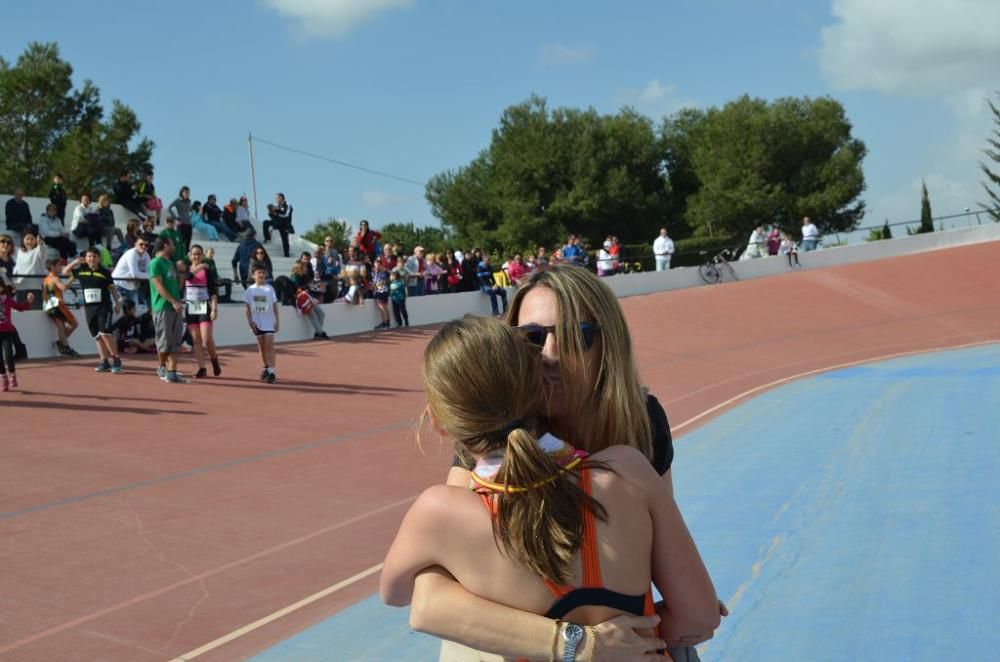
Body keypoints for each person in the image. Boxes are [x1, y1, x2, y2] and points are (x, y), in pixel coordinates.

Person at [408, 265, 724, 661]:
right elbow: (431, 601)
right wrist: (581, 643)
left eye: (577, 336)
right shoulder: (488, 427)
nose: (550, 355)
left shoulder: (642, 420)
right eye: (532, 338)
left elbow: (663, 564)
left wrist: (661, 622)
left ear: (608, 345)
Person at [64, 249, 123, 373]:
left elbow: (113, 289)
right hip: (90, 308)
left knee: (105, 333)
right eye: (89, 256)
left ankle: (116, 360)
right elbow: (64, 272)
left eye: (94, 256)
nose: (92, 259)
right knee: (97, 336)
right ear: (85, 258)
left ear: (99, 258)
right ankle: (104, 362)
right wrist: (75, 262)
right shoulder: (81, 271)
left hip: (104, 307)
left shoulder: (104, 272)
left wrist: (117, 304)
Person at [148, 237, 186, 384]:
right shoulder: (155, 263)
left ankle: (172, 372)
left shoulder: (170, 264)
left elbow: (179, 286)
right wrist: (172, 301)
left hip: (175, 307)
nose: (174, 247)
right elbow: (158, 285)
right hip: (162, 307)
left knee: (175, 342)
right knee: (164, 342)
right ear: (165, 246)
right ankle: (162, 366)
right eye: (172, 244)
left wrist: (182, 272)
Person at [184, 244, 222, 378]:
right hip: (190, 307)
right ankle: (202, 368)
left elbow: (213, 292)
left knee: (206, 338)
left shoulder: (207, 272)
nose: (196, 256)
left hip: (203, 306)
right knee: (196, 341)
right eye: (194, 254)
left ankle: (214, 360)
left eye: (199, 254)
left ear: (202, 256)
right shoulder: (187, 269)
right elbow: (186, 277)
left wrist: (214, 309)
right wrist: (200, 267)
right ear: (190, 256)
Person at [244, 265, 279, 383]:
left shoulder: (269, 289)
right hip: (256, 323)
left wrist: (277, 321)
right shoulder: (250, 290)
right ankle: (266, 367)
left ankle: (272, 372)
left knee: (269, 346)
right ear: (253, 275)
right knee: (262, 347)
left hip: (269, 322)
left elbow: (275, 306)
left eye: (263, 273)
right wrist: (250, 322)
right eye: (259, 273)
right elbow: (247, 309)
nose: (261, 275)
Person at [0, 275, 33, 391]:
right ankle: (3, 379)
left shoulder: (7, 299)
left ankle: (12, 375)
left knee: (8, 355)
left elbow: (19, 307)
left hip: (6, 332)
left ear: (2, 287)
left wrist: (28, 302)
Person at [42, 258, 80, 357]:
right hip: (58, 305)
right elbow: (63, 288)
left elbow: (44, 295)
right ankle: (65, 346)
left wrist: (47, 304)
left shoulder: (45, 279)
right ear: (52, 267)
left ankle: (63, 345)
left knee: (61, 327)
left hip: (50, 306)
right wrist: (73, 278)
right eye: (58, 265)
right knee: (74, 323)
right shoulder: (55, 278)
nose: (60, 267)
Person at [112, 237, 151, 308]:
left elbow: (148, 271)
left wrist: (148, 275)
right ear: (135, 244)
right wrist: (150, 276)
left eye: (146, 245)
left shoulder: (146, 255)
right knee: (120, 310)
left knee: (131, 312)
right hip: (120, 285)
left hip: (132, 286)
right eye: (141, 244)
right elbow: (135, 274)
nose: (144, 247)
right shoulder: (131, 254)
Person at [13, 229, 47, 308]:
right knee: (21, 314)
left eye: (32, 239)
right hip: (20, 287)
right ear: (23, 239)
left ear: (36, 240)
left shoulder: (38, 251)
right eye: (27, 239)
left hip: (35, 288)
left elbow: (43, 249)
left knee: (35, 314)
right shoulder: (19, 252)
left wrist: (41, 243)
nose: (29, 241)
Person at [262, 193, 294, 257]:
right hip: (276, 222)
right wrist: (271, 212)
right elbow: (272, 216)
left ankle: (286, 254)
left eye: (276, 198)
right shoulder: (276, 206)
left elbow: (286, 215)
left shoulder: (287, 205)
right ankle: (267, 238)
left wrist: (277, 212)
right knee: (265, 222)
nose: (275, 200)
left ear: (281, 198)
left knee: (285, 240)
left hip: (284, 225)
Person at [371, 260, 392, 329]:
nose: (376, 267)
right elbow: (373, 282)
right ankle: (384, 322)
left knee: (383, 307)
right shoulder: (374, 273)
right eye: (375, 265)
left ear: (380, 265)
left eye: (378, 265)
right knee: (381, 308)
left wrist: (375, 285)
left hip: (383, 291)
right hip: (377, 292)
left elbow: (383, 282)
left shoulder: (383, 273)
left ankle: (386, 323)